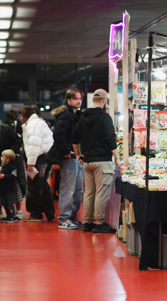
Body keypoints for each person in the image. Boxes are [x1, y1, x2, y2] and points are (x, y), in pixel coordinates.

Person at [72, 89, 120, 233]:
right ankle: (99, 223)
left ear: (93, 100)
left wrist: (78, 155)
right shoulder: (105, 117)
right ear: (105, 100)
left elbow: (74, 138)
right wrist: (117, 157)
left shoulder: (83, 117)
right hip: (102, 161)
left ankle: (87, 223)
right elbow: (110, 138)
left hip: (87, 162)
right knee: (101, 192)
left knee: (89, 193)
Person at [47, 88, 85, 230]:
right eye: (75, 98)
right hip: (70, 157)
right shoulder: (66, 115)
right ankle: (64, 218)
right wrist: (66, 151)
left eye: (80, 98)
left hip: (77, 157)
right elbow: (58, 134)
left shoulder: (77, 115)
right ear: (68, 100)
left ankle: (72, 217)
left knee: (77, 188)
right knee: (68, 188)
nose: (78, 101)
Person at [18, 105, 55, 222]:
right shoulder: (37, 122)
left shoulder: (33, 125)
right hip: (45, 156)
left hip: (39, 157)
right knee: (42, 185)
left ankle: (35, 214)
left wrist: (30, 163)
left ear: (24, 115)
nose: (19, 118)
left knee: (34, 186)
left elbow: (34, 144)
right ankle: (49, 212)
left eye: (20, 116)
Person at [0, 149, 19, 223]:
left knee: (9, 202)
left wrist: (4, 176)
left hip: (9, 188)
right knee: (4, 202)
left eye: (3, 156)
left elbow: (14, 175)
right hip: (2, 188)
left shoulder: (12, 167)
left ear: (7, 159)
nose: (1, 157)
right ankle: (7, 215)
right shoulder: (1, 165)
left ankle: (12, 215)